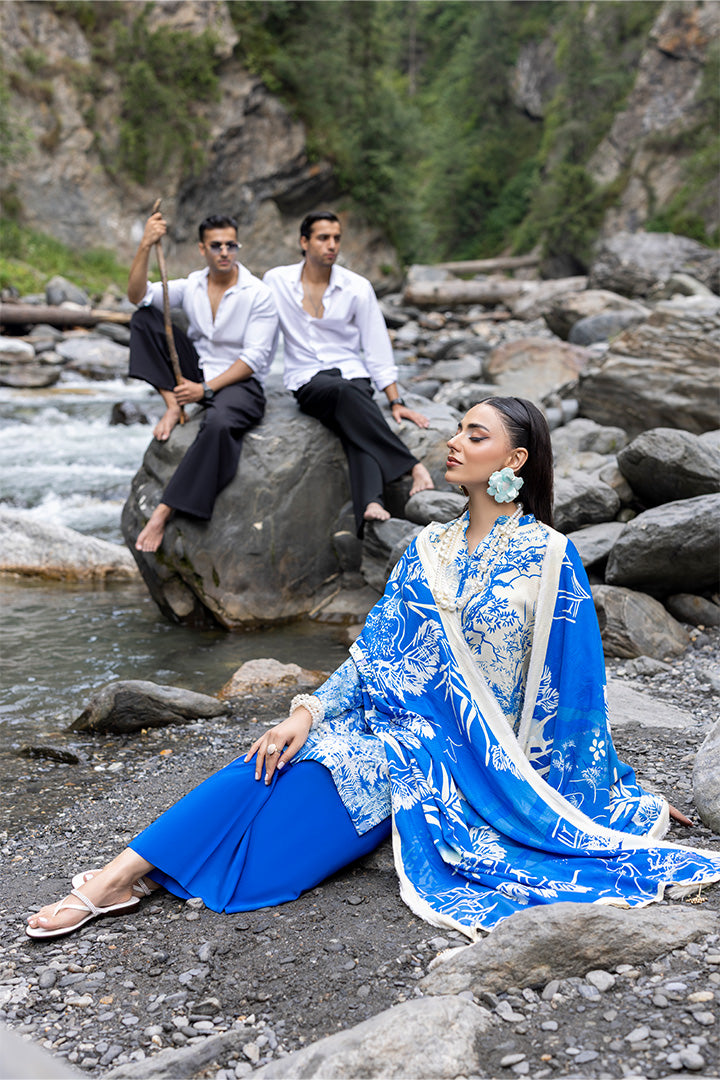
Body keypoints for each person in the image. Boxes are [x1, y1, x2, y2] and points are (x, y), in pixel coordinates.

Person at [26, 397, 720, 940]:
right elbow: (372, 657)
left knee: (262, 873)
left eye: (475, 435)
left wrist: (614, 794)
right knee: (267, 760)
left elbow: (576, 698)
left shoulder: (550, 558)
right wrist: (306, 713)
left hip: (467, 763)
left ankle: (142, 874)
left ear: (516, 458)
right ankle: (117, 878)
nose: (454, 442)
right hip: (381, 723)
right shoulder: (425, 550)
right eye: (458, 429)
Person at [263, 211, 434, 534]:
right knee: (347, 395)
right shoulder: (277, 281)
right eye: (323, 238)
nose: (332, 245)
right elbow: (261, 335)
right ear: (304, 242)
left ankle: (371, 502)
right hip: (308, 378)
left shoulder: (357, 287)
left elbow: (376, 345)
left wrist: (395, 400)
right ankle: (411, 465)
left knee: (351, 420)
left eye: (336, 238)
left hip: (352, 374)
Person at [127, 211, 278, 552]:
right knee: (143, 319)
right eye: (216, 246)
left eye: (231, 245)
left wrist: (205, 390)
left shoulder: (258, 293)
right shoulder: (191, 285)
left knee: (219, 424)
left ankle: (164, 511)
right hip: (196, 371)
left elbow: (254, 358)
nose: (224, 252)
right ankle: (172, 404)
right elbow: (137, 295)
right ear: (202, 249)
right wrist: (145, 245)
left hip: (239, 382)